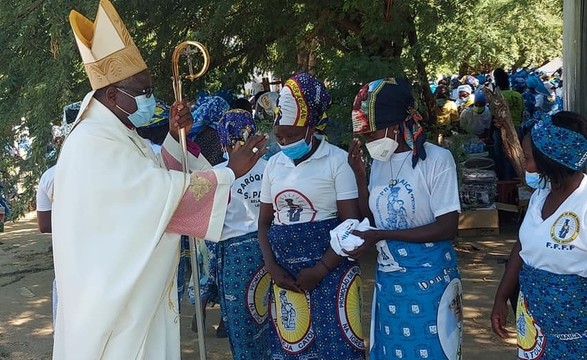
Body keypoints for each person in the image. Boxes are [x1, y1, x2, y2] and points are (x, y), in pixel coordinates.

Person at [53, 1, 267, 359]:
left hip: (134, 293)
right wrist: (230, 172)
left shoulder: (119, 132)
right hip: (115, 303)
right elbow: (157, 199)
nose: (151, 99)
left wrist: (173, 137)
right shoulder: (92, 143)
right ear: (111, 95)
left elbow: (153, 181)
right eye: (143, 91)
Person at [347, 78, 462, 359]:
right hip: (390, 281)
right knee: (392, 349)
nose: (368, 139)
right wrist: (360, 178)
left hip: (430, 281)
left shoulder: (437, 160)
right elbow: (372, 217)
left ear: (397, 125)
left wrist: (384, 235)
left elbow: (447, 228)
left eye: (372, 132)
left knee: (432, 350)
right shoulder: (379, 163)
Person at [258, 72, 365, 359]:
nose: (284, 141)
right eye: (279, 135)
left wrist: (320, 270)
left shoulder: (336, 161)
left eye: (292, 135)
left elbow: (350, 226)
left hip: (329, 272)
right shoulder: (273, 165)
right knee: (293, 348)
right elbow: (265, 222)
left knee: (336, 350)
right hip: (285, 277)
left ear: (312, 128)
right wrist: (272, 267)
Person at [491, 111, 587, 359]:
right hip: (533, 325)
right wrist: (502, 297)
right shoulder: (540, 195)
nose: (523, 162)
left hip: (575, 332)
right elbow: (521, 248)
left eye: (528, 157)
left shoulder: (584, 205)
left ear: (552, 160)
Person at [211, 109, 271, 359]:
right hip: (269, 251)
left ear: (223, 139)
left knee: (241, 325)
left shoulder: (219, 173)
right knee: (269, 320)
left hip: (236, 258)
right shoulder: (271, 167)